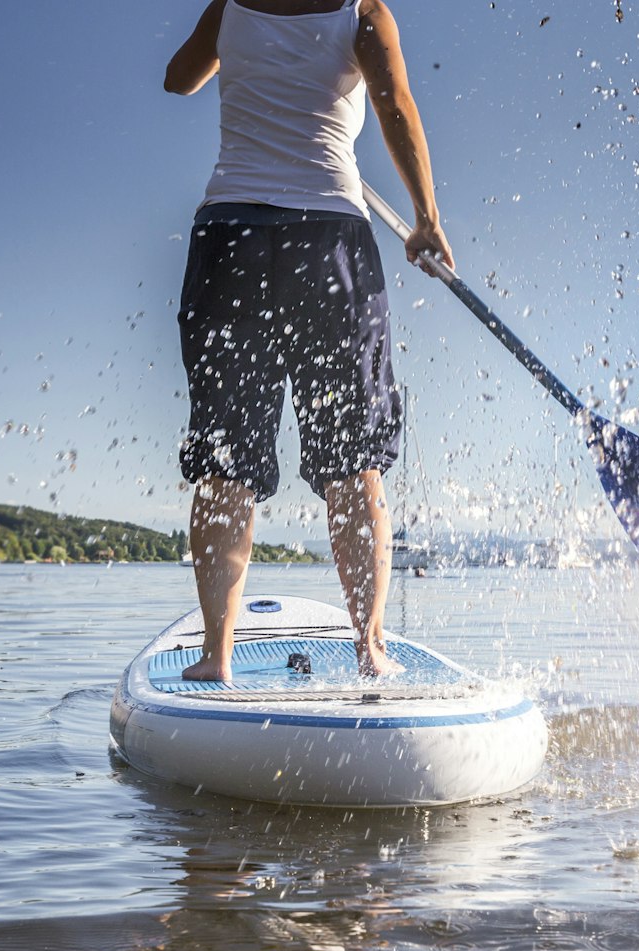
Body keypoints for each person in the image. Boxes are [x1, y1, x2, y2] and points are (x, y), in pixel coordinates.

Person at [165, 0, 452, 680]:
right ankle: (371, 649)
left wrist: (238, 44)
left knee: (224, 458)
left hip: (231, 236)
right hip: (328, 240)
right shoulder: (363, 12)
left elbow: (180, 78)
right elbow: (396, 108)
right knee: (354, 463)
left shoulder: (230, 6)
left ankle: (215, 657)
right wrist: (426, 219)